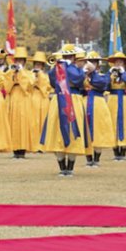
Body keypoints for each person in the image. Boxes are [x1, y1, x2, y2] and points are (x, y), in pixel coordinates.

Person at [41, 48, 89, 177]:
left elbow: (78, 79)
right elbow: (52, 81)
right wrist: (60, 66)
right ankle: (62, 167)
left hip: (73, 99)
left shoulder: (76, 69)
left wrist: (66, 66)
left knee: (74, 132)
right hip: (59, 99)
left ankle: (70, 168)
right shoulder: (57, 68)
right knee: (58, 133)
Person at [82, 51, 115, 167]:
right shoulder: (82, 75)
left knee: (99, 129)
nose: (91, 64)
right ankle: (88, 158)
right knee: (86, 130)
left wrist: (93, 73)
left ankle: (96, 159)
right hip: (85, 102)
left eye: (94, 62)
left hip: (98, 103)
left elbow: (103, 84)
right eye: (89, 62)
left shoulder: (101, 76)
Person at [6, 47, 37, 159]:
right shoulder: (11, 71)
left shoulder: (28, 73)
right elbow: (6, 87)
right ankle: (15, 149)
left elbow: (29, 85)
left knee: (24, 122)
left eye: (21, 60)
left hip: (24, 98)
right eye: (17, 60)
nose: (18, 62)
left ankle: (22, 149)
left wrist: (21, 72)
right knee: (13, 122)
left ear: (24, 61)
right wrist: (12, 74)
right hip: (14, 97)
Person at [106, 51, 126, 161]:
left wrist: (123, 73)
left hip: (124, 99)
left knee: (125, 123)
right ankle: (115, 150)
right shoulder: (111, 74)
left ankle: (123, 150)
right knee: (113, 123)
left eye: (120, 62)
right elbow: (105, 85)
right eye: (116, 62)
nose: (118, 64)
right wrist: (109, 74)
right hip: (113, 100)